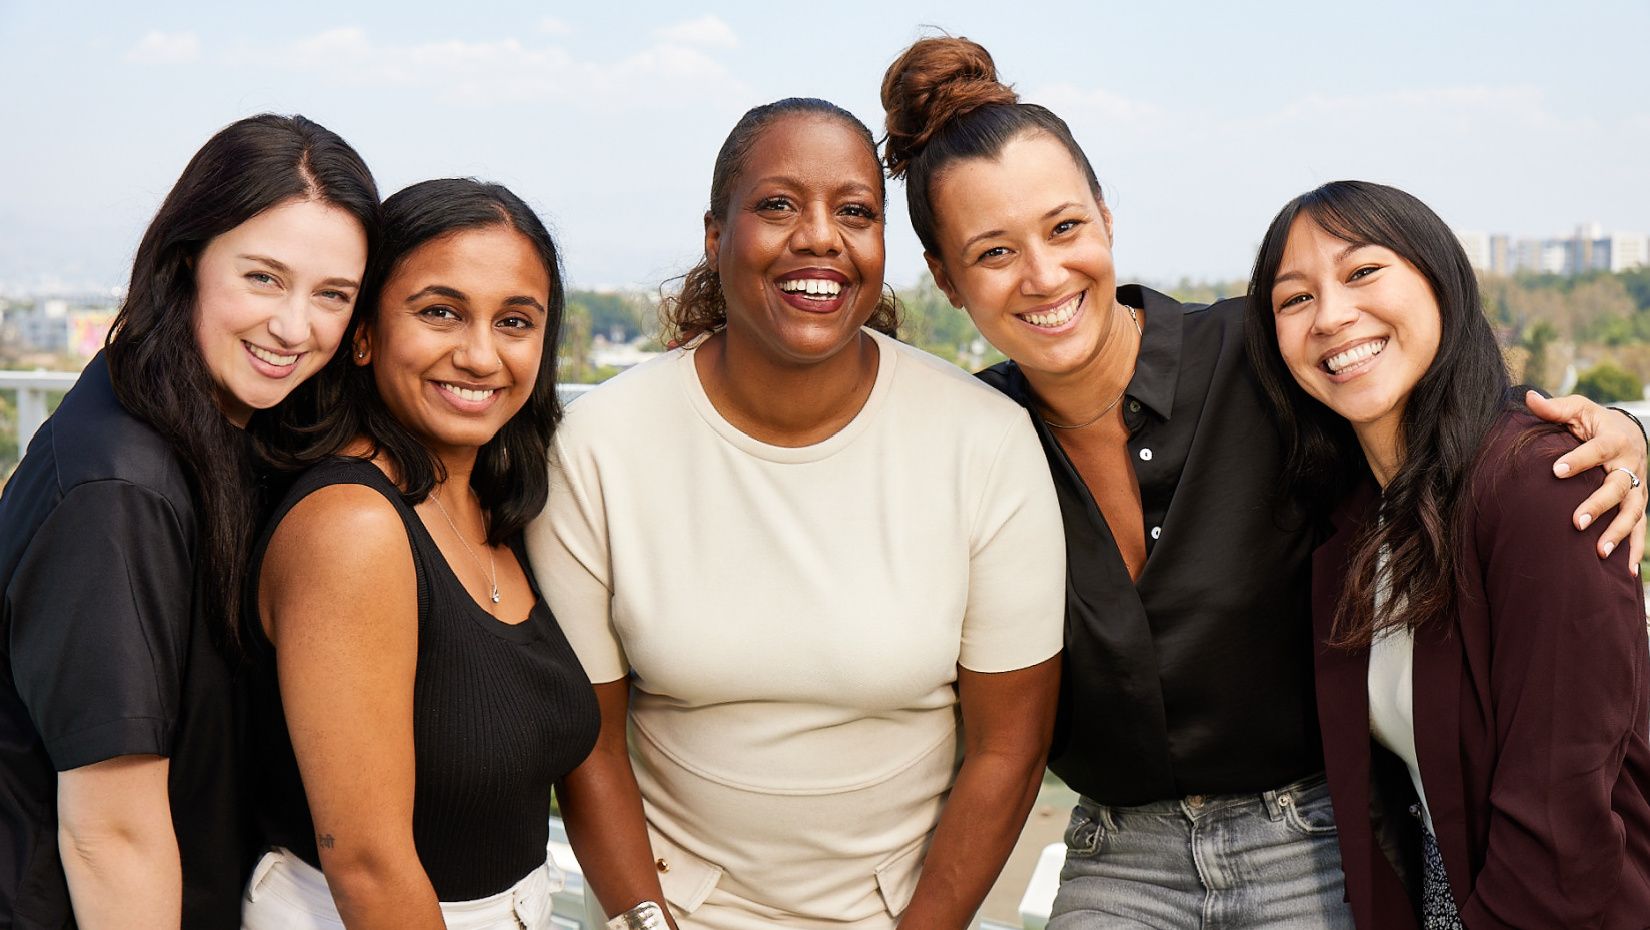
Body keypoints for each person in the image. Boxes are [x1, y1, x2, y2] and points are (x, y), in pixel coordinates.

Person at [877, 36, 1649, 928]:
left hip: (1316, 836)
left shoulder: (1267, 354)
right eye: (994, 252)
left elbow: (1444, 415)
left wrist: (1622, 430)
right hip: (1118, 855)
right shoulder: (969, 440)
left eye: (1064, 228)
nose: (1045, 275)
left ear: (1106, 220)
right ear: (945, 277)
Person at [527, 97, 1066, 930]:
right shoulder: (599, 443)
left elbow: (1009, 749)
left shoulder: (985, 441)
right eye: (778, 204)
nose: (820, 236)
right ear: (715, 235)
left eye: (855, 212)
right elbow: (589, 746)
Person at [0, 114, 377, 930]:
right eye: (264, 278)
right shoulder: (116, 488)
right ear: (188, 261)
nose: (294, 327)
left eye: (333, 295)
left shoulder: (229, 423)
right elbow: (112, 835)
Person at [1246, 179, 1650, 928]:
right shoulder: (1357, 519)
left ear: (1442, 281)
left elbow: (1562, 824)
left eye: (1363, 272)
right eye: (1293, 299)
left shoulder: (1542, 487)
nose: (1332, 316)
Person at [240, 179, 598, 930]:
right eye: (441, 312)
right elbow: (368, 868)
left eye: (515, 322)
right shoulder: (353, 526)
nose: (479, 355)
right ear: (364, 334)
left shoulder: (494, 505)